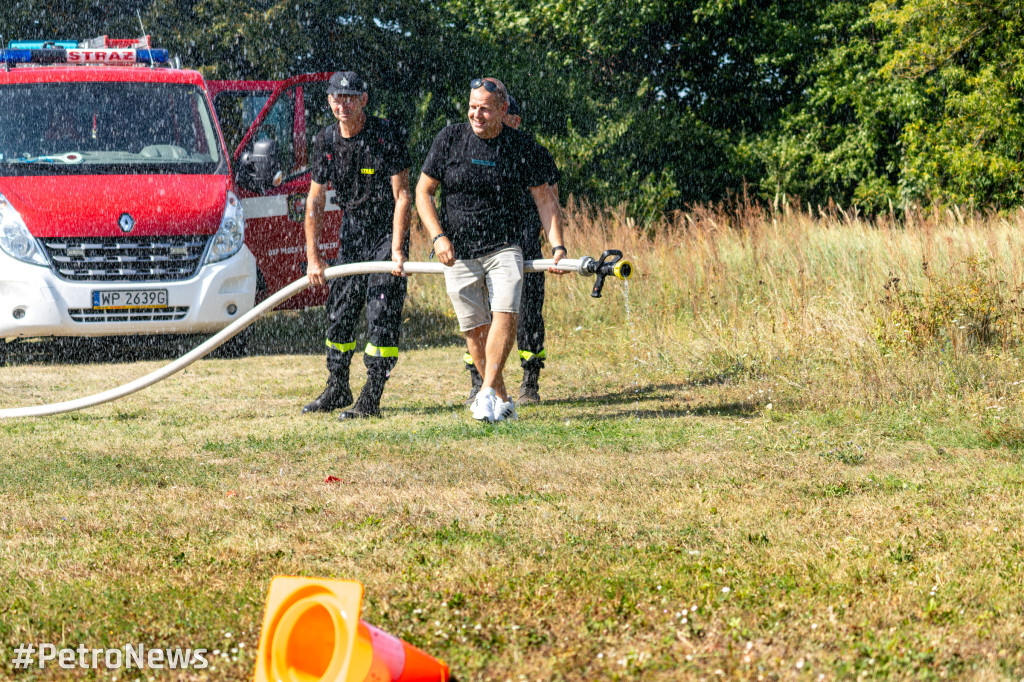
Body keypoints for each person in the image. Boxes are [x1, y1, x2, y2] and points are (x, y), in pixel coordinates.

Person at [415, 77, 568, 423]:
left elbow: (545, 199)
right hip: (458, 249)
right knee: (475, 328)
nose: (476, 114)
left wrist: (557, 245)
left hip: (505, 246)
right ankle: (499, 396)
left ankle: (484, 393)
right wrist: (438, 237)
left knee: (505, 312)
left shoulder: (522, 147)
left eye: (484, 108)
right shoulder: (449, 139)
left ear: (503, 110)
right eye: (472, 106)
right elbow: (423, 192)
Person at [302, 71, 412, 420]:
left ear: (364, 100)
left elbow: (403, 196)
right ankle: (337, 387)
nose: (343, 104)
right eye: (337, 98)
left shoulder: (385, 136)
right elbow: (314, 204)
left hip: (385, 234)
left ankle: (371, 396)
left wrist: (397, 250)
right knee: (339, 309)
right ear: (329, 101)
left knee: (381, 310)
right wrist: (313, 259)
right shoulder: (325, 141)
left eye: (350, 98)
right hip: (352, 233)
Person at [462, 94, 560, 405]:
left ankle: (529, 382)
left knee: (529, 313)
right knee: (482, 315)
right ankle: (481, 381)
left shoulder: (532, 152)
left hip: (527, 244)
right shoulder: (473, 147)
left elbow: (551, 201)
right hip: (485, 244)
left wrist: (555, 245)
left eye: (503, 117)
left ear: (514, 120)